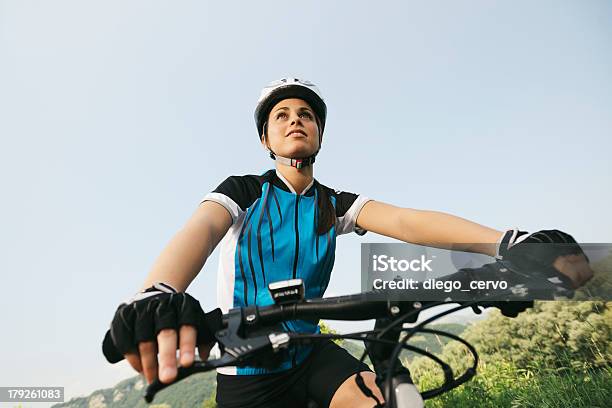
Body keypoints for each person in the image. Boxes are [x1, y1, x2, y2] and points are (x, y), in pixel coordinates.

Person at [102, 77, 593, 408]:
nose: (296, 120)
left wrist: (505, 244)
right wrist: (159, 292)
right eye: (282, 115)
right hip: (248, 369)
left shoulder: (332, 203)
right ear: (266, 142)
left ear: (319, 134)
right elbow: (200, 231)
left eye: (307, 115)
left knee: (388, 398)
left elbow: (403, 221)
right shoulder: (244, 191)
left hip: (313, 350)